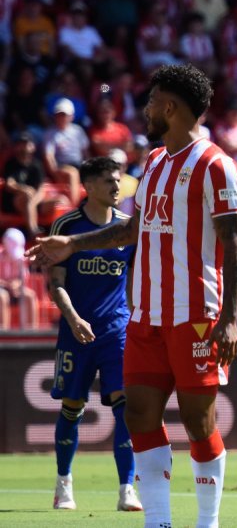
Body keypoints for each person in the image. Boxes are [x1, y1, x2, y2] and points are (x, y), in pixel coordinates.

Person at [28, 65, 237, 528]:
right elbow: (133, 230)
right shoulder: (153, 163)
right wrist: (72, 244)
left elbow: (235, 243)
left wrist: (229, 318)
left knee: (198, 422)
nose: (145, 110)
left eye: (151, 102)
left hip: (196, 314)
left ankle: (207, 522)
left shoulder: (215, 165)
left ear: (170, 107)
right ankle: (158, 521)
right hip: (145, 316)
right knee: (140, 416)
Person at [47, 156, 142, 512]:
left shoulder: (127, 228)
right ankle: (63, 484)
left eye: (118, 180)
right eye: (108, 181)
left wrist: (135, 319)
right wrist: (73, 319)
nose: (117, 186)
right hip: (76, 331)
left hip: (117, 331)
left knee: (126, 408)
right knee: (72, 407)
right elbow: (55, 282)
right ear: (88, 186)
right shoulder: (67, 225)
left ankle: (126, 489)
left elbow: (132, 280)